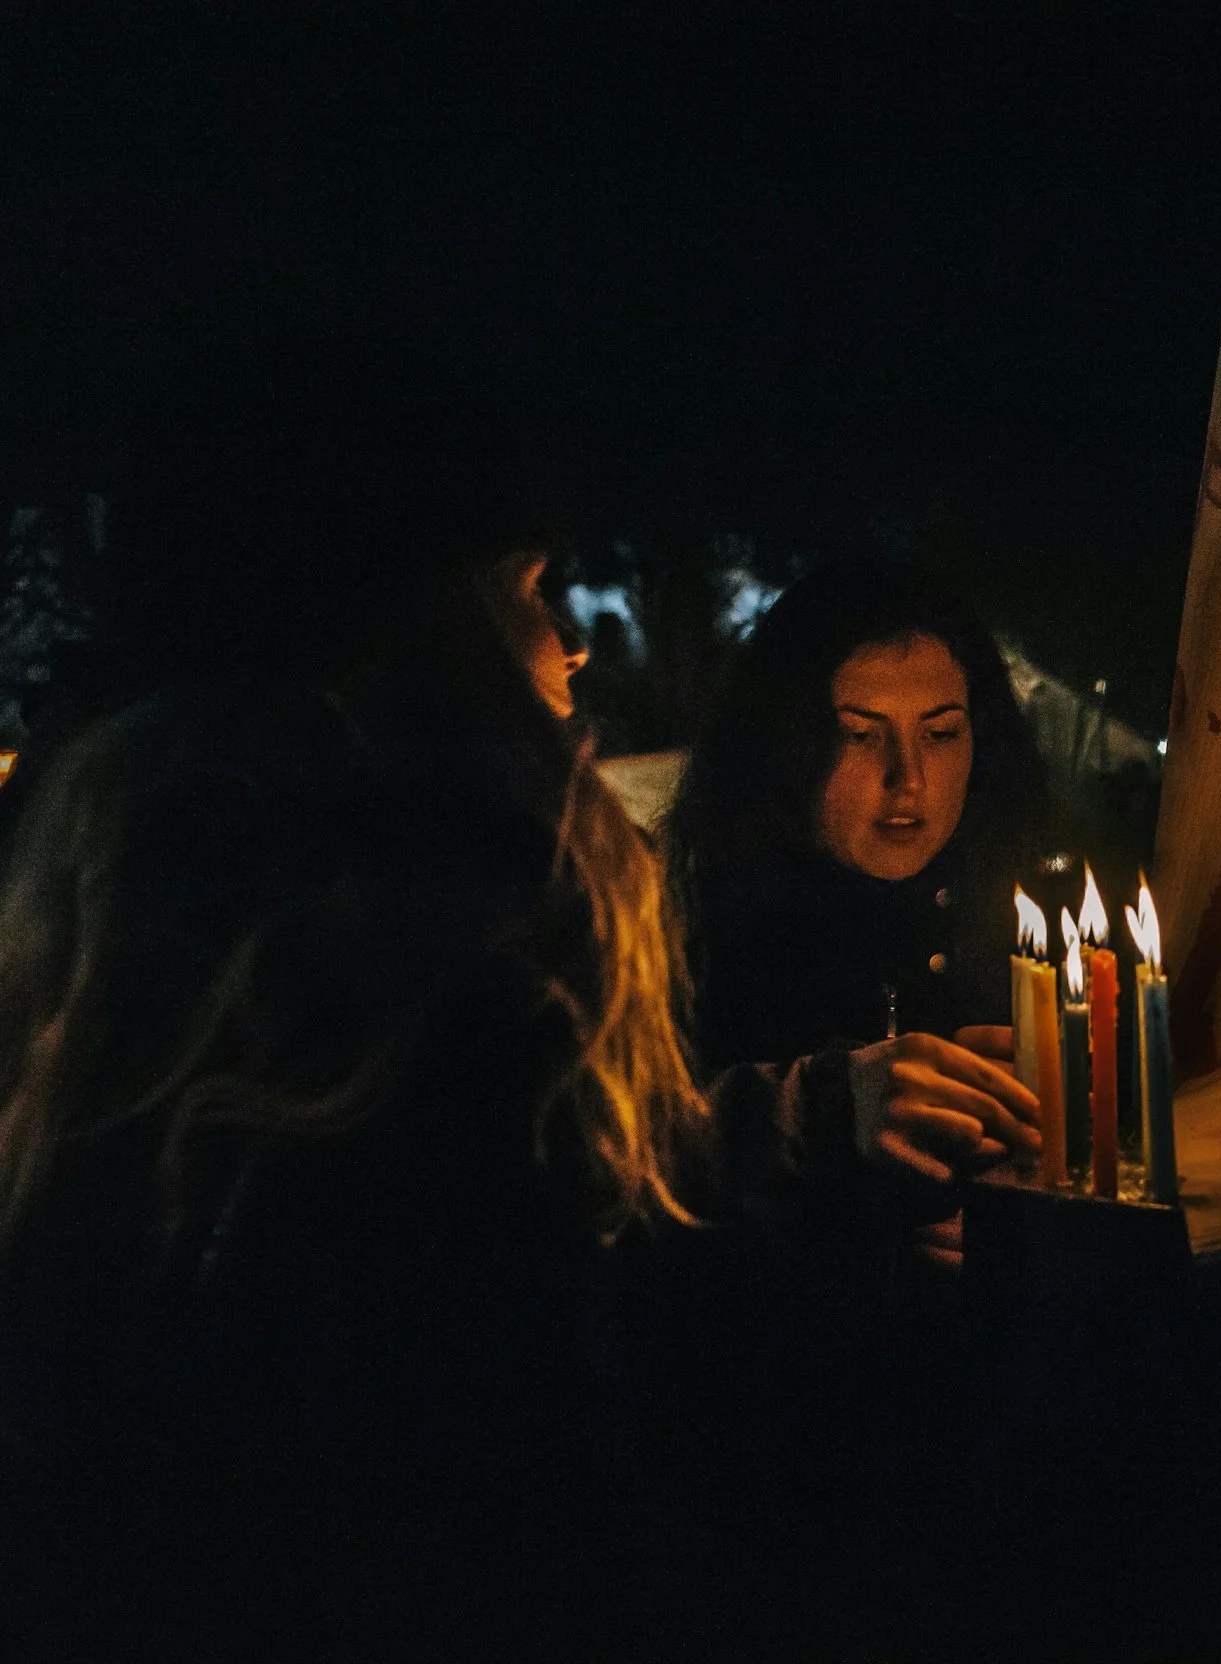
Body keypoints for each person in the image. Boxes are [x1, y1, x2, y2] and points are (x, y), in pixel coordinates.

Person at [0, 380, 1040, 1647]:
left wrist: (826, 1115)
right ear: (426, 629)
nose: (578, 642)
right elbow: (538, 1321)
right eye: (537, 589)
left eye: (944, 731)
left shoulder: (182, 913)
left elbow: (566, 1179)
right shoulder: (429, 950)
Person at [666, 561, 1055, 1272]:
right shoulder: (676, 948)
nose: (908, 778)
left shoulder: (1027, 930)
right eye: (859, 734)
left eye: (940, 734)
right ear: (784, 747)